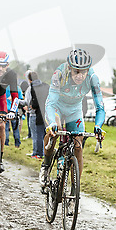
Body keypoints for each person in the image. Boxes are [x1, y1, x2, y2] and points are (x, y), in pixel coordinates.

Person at [39, 49, 106, 188]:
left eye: (84, 71)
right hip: (57, 107)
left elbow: (100, 107)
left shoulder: (92, 78)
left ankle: (75, 190)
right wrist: (51, 123)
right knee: (54, 131)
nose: (80, 76)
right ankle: (45, 165)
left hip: (74, 110)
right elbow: (51, 103)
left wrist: (98, 126)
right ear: (70, 68)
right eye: (76, 71)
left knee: (78, 146)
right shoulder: (60, 74)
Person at [24, 71, 49, 158]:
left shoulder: (32, 87)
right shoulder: (45, 85)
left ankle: (37, 153)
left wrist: (31, 105)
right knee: (44, 135)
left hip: (36, 114)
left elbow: (31, 102)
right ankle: (44, 153)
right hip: (46, 114)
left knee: (36, 135)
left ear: (29, 79)